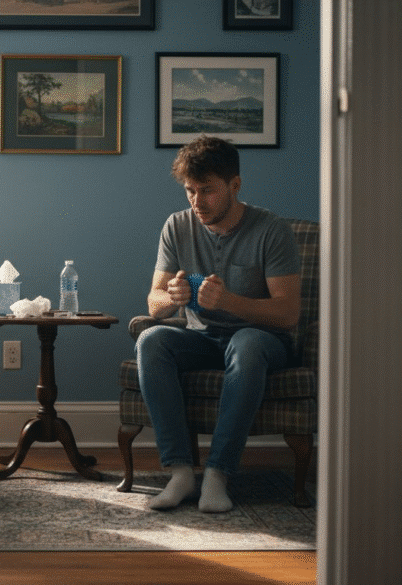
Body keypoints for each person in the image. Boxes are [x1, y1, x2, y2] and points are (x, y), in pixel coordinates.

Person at [137, 135, 301, 512]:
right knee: (151, 341)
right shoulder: (176, 226)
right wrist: (172, 298)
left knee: (246, 343)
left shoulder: (272, 230)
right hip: (202, 337)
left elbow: (288, 313)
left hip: (262, 342)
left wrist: (229, 301)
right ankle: (180, 473)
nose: (196, 202)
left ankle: (217, 475)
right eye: (190, 191)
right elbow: (153, 300)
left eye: (207, 191)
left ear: (235, 185)